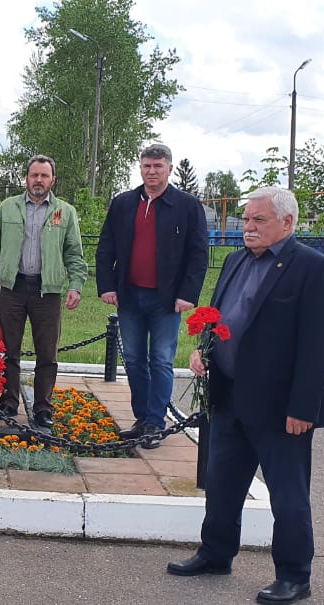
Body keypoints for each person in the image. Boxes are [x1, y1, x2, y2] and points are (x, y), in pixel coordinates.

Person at [169, 187, 324, 604]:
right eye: (246, 219)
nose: (247, 227)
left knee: (288, 494)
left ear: (287, 223)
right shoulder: (234, 260)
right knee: (222, 485)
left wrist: (303, 407)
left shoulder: (313, 269)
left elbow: (319, 346)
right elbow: (218, 314)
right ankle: (215, 554)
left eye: (258, 220)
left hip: (281, 408)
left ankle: (294, 576)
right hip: (229, 396)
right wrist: (203, 348)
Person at [95, 143, 208, 448]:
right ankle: (142, 418)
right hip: (129, 296)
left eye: (158, 166)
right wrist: (106, 285)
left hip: (167, 300)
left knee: (160, 359)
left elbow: (198, 254)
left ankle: (156, 424)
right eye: (147, 166)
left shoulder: (187, 206)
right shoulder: (123, 204)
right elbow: (106, 247)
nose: (152, 171)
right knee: (133, 360)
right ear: (140, 168)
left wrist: (188, 293)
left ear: (169, 169)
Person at [0, 155, 87, 428]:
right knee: (8, 350)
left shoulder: (65, 212)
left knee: (47, 354)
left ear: (53, 179)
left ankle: (43, 408)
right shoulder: (8, 208)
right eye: (34, 175)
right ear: (26, 178)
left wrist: (75, 285)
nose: (38, 180)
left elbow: (74, 254)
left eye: (44, 176)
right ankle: (8, 403)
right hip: (12, 289)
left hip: (46, 292)